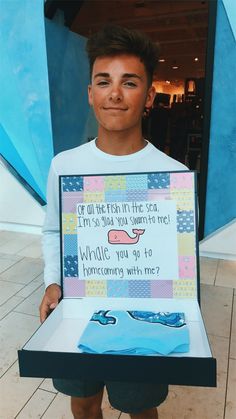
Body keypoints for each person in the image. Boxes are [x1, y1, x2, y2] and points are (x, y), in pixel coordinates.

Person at [39, 24, 187, 419]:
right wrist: (54, 281)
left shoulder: (171, 174)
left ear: (150, 96)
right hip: (78, 307)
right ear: (91, 94)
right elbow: (54, 230)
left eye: (130, 82)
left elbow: (176, 262)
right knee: (84, 401)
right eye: (104, 81)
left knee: (139, 407)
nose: (115, 94)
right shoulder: (65, 166)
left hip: (144, 317)